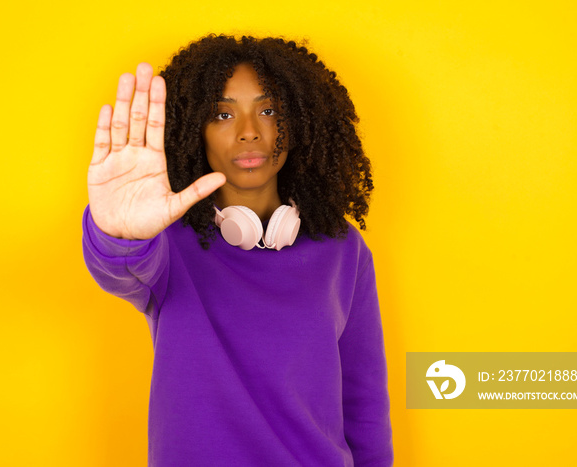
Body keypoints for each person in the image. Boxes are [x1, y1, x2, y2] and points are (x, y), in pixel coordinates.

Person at [82, 35, 393, 466]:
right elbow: (118, 269)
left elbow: (365, 403)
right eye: (223, 114)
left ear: (298, 122)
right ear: (196, 130)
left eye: (268, 111)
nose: (249, 131)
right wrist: (118, 233)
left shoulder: (342, 249)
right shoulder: (167, 245)